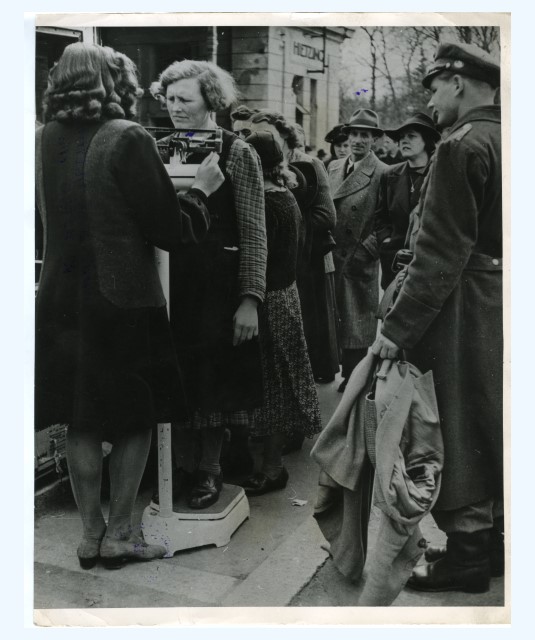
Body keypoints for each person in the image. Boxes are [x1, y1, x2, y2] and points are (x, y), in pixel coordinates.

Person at [35, 43, 223, 569]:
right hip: (123, 300)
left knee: (80, 419)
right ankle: (120, 534)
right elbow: (170, 231)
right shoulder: (127, 137)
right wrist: (201, 191)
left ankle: (89, 536)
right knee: (136, 416)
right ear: (110, 83)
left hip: (59, 302)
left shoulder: (42, 139)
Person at [372, 42, 503, 594]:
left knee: (457, 421)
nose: (429, 100)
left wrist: (396, 329)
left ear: (458, 83)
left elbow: (439, 253)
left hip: (461, 304)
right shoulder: (508, 135)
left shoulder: (460, 146)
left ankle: (469, 555)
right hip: (501, 296)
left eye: (433, 87)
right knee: (493, 418)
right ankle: (492, 545)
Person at [153, 60, 267, 509]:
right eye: (169, 99)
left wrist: (250, 299)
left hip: (220, 289)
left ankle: (210, 469)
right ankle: (180, 466)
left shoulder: (237, 152)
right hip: (171, 285)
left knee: (215, 382)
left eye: (185, 99)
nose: (175, 107)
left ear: (211, 100)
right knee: (178, 378)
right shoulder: (158, 149)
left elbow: (255, 231)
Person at [239, 131, 322, 494]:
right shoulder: (285, 195)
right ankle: (270, 464)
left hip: (269, 299)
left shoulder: (266, 202)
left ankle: (272, 469)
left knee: (271, 387)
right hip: (285, 296)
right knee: (281, 382)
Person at [327, 109, 387, 392]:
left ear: (374, 139)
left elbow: (388, 220)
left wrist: (368, 250)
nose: (358, 140)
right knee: (337, 315)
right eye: (354, 134)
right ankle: (337, 370)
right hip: (332, 254)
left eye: (365, 135)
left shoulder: (383, 172)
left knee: (358, 319)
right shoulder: (334, 167)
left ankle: (355, 379)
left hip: (358, 258)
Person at [374, 112, 441, 289]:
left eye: (411, 136)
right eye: (401, 137)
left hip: (428, 265)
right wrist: (387, 241)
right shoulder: (390, 174)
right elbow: (380, 217)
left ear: (427, 141)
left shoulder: (440, 174)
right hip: (394, 263)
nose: (404, 141)